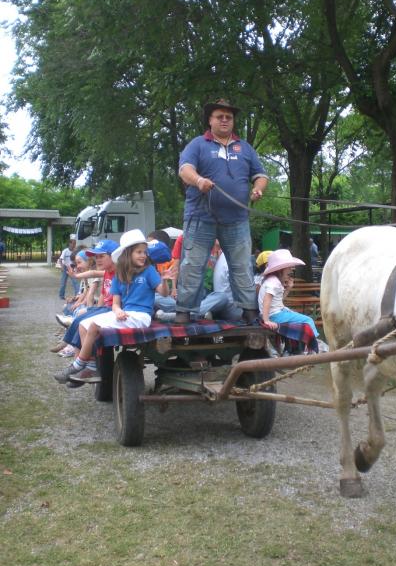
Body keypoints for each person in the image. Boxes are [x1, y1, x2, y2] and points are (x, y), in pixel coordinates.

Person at [175, 98, 268, 324]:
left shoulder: (245, 148)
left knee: (243, 265)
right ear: (210, 120)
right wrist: (198, 181)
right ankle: (184, 311)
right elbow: (184, 170)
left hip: (236, 218)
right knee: (192, 264)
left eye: (229, 117)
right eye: (220, 116)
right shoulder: (197, 144)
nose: (225, 120)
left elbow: (261, 175)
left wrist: (257, 189)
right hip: (200, 216)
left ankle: (249, 310)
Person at [54, 230, 173, 384]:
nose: (143, 255)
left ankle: (77, 365)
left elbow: (163, 293)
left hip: (141, 316)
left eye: (144, 252)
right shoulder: (119, 275)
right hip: (126, 313)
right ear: (127, 254)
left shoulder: (149, 271)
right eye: (139, 252)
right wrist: (117, 311)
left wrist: (164, 280)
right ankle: (90, 366)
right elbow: (116, 303)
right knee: (83, 325)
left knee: (94, 325)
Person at [258, 248, 320, 338]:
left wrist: (288, 288)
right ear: (280, 269)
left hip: (275, 313)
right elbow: (266, 301)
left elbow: (278, 301)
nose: (291, 270)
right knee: (308, 320)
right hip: (274, 316)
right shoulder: (273, 283)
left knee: (301, 318)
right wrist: (266, 320)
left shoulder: (273, 281)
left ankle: (302, 344)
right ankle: (314, 342)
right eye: (289, 267)